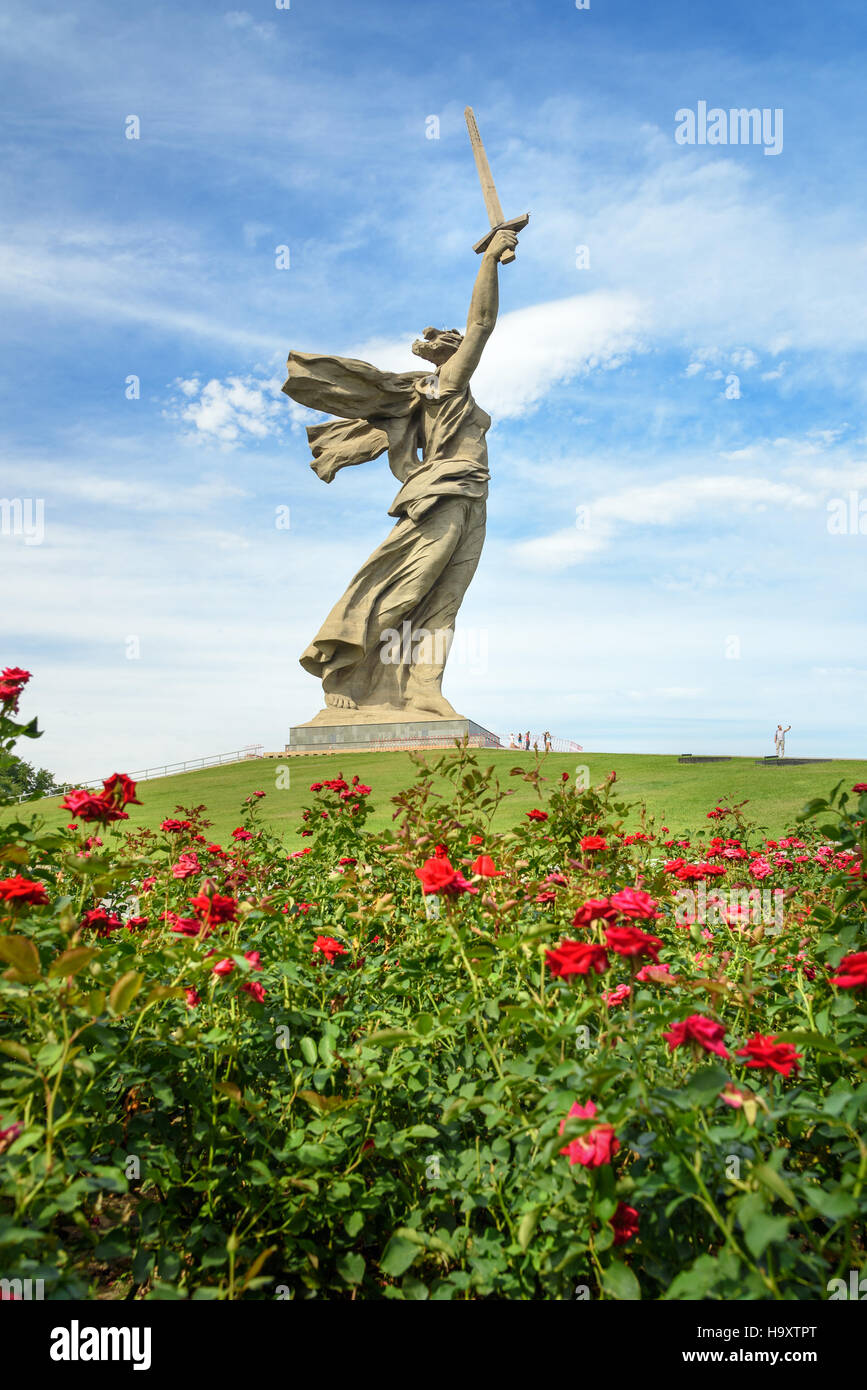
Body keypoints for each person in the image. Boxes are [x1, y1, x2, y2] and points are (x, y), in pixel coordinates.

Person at [283, 227, 520, 718]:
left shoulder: (443, 393)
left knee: (444, 600)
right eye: (445, 341)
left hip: (471, 495)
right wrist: (490, 261)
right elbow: (481, 323)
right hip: (445, 495)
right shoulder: (446, 384)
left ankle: (423, 688)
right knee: (410, 586)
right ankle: (346, 668)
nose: (456, 341)